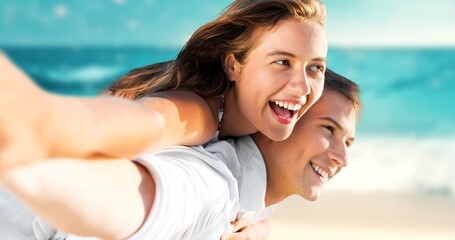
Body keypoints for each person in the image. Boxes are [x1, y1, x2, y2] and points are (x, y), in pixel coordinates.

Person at [0, 69, 361, 240]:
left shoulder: (255, 193)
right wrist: (31, 146)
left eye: (347, 141)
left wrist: (259, 231)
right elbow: (138, 196)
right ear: (279, 122)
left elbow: (260, 211)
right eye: (328, 129)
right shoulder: (211, 182)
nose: (341, 158)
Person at [0, 0, 327, 171]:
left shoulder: (258, 120)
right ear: (232, 65)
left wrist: (259, 224)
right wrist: (54, 126)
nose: (302, 86)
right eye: (282, 62)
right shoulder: (201, 109)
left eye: (315, 68)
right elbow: (155, 121)